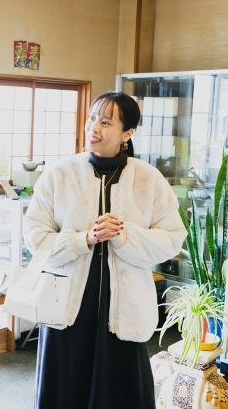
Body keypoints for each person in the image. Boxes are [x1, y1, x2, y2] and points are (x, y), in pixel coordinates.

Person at [24, 91, 187, 409]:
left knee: (120, 395)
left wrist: (124, 235)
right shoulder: (60, 174)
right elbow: (35, 237)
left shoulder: (148, 179)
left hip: (125, 312)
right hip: (67, 308)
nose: (94, 128)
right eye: (92, 119)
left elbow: (172, 239)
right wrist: (83, 239)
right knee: (65, 391)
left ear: (128, 133)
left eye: (106, 122)